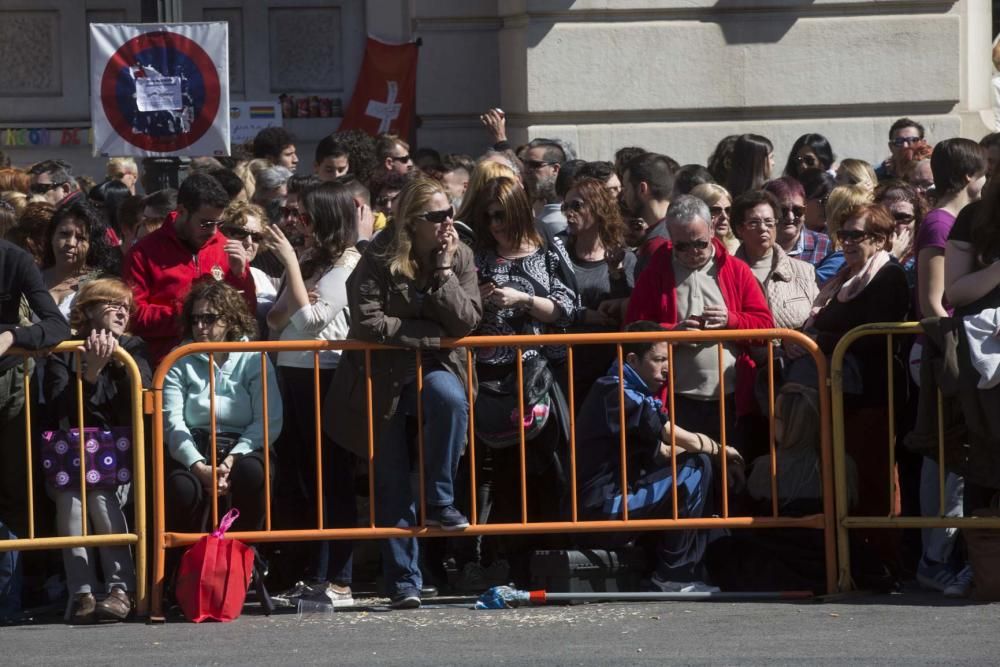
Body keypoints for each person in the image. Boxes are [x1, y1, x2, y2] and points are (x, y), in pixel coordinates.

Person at [325, 177, 481, 609]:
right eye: (437, 216)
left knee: (451, 400)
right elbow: (367, 322)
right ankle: (403, 582)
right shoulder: (378, 254)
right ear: (413, 221)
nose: (448, 222)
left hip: (435, 369)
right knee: (391, 479)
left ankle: (440, 499)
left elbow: (467, 321)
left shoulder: (460, 254)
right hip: (382, 377)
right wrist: (428, 335)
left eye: (451, 213)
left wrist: (445, 270)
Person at [575, 321, 743, 592]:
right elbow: (668, 434)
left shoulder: (633, 391)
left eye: (669, 359)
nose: (667, 368)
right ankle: (675, 576)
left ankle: (689, 570)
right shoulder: (614, 389)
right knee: (696, 468)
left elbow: (664, 452)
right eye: (659, 359)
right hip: (601, 509)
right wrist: (718, 449)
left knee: (698, 463)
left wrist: (716, 456)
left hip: (615, 503)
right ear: (632, 359)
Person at [263, 182, 362, 604]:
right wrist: (299, 278)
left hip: (328, 373)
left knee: (333, 477)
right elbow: (276, 317)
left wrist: (291, 267)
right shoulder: (311, 260)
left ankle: (340, 577)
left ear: (327, 220)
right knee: (308, 478)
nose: (298, 226)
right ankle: (317, 573)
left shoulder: (349, 262)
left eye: (305, 218)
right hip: (295, 371)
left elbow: (309, 323)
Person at [802, 203, 909, 570]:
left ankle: (882, 562)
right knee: (848, 477)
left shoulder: (887, 276)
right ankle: (855, 560)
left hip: (874, 394)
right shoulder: (846, 278)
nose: (846, 242)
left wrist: (821, 340)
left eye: (855, 235)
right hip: (843, 392)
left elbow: (871, 335)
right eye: (842, 234)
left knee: (874, 480)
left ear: (879, 240)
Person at [42, 278, 150, 624]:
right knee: (71, 499)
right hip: (69, 461)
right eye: (112, 303)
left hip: (118, 464)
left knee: (102, 496)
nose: (122, 311)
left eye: (126, 307)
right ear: (87, 309)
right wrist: (88, 374)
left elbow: (137, 405)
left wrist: (113, 367)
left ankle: (122, 590)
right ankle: (82, 594)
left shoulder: (132, 350)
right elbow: (56, 410)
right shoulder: (64, 351)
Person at [626, 194, 774, 441]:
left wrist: (732, 321)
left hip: (731, 398)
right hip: (676, 400)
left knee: (731, 473)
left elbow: (766, 326)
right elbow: (633, 330)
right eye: (682, 245)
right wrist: (671, 335)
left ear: (713, 229)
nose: (692, 252)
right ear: (671, 238)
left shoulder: (736, 270)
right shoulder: (655, 272)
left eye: (700, 243)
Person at [162, 279, 282, 537]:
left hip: (243, 447)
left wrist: (231, 460)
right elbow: (172, 422)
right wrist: (198, 466)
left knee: (252, 473)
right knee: (182, 488)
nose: (200, 326)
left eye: (209, 318)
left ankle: (245, 559)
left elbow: (268, 419)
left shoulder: (253, 356)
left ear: (229, 320)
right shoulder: (177, 358)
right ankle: (184, 566)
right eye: (194, 320)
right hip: (194, 446)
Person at [0, 237, 71, 624]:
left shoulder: (15, 259)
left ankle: (6, 602)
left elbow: (57, 324)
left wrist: (12, 336)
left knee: (13, 496)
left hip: (9, 387)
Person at [124, 173, 256, 365]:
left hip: (221, 365)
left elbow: (246, 312)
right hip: (167, 366)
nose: (212, 231)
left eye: (218, 224)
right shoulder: (143, 253)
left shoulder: (226, 247)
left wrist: (240, 276)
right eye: (205, 223)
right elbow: (134, 315)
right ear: (182, 211)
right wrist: (190, 315)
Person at [559, 177, 635, 403]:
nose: (569, 213)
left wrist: (616, 273)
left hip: (608, 367)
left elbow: (626, 311)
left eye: (577, 206)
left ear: (599, 208)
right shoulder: (558, 257)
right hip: (567, 365)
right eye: (566, 206)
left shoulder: (624, 258)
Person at [731, 190, 818, 330]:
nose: (763, 228)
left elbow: (817, 318)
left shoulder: (804, 271)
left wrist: (796, 339)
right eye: (754, 222)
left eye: (769, 222)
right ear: (740, 229)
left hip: (798, 350)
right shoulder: (727, 274)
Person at [41, 195, 121, 319]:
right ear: (52, 236)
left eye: (81, 238)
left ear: (91, 244)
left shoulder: (101, 284)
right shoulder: (34, 278)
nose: (70, 243)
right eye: (64, 234)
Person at [762, 177, 838, 284]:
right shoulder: (756, 247)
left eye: (798, 210)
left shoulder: (827, 246)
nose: (790, 217)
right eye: (782, 210)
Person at [219, 201, 279, 326]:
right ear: (225, 233)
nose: (249, 242)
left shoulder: (259, 275)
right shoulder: (213, 271)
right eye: (241, 233)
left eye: (256, 237)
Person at [621, 152, 675, 276]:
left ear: (642, 189)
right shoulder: (681, 226)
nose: (623, 198)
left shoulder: (657, 245)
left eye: (626, 188)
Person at [874, 180, 926, 290]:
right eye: (885, 216)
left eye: (902, 217)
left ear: (917, 220)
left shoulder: (923, 256)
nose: (893, 223)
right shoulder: (865, 251)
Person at [522, 138, 568, 233]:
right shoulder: (526, 202)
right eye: (525, 164)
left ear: (555, 169)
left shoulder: (568, 207)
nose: (526, 170)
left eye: (534, 165)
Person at [690, 183, 739, 254]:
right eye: (715, 210)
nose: (724, 216)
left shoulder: (737, 248)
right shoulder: (687, 251)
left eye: (728, 210)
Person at [724, 134, 774, 198]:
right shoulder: (766, 196)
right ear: (758, 161)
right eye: (771, 157)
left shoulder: (728, 193)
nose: (773, 163)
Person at [798, 168, 837, 233]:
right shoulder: (782, 232)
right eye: (824, 201)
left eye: (833, 202)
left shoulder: (837, 238)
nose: (828, 207)